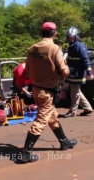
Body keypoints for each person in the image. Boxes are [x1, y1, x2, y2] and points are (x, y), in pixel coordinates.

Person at [17, 22, 77, 163]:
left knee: (52, 116)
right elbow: (64, 71)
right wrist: (68, 69)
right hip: (48, 92)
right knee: (41, 120)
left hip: (36, 90)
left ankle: (64, 142)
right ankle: (26, 152)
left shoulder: (32, 49)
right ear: (54, 34)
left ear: (42, 33)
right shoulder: (54, 48)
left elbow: (26, 72)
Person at [63, 27, 94, 118]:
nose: (71, 38)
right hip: (72, 73)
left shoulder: (80, 46)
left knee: (74, 93)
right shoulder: (71, 46)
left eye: (72, 37)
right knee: (76, 91)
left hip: (77, 74)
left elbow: (85, 60)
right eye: (69, 37)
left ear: (77, 36)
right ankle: (87, 108)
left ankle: (73, 111)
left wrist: (89, 73)